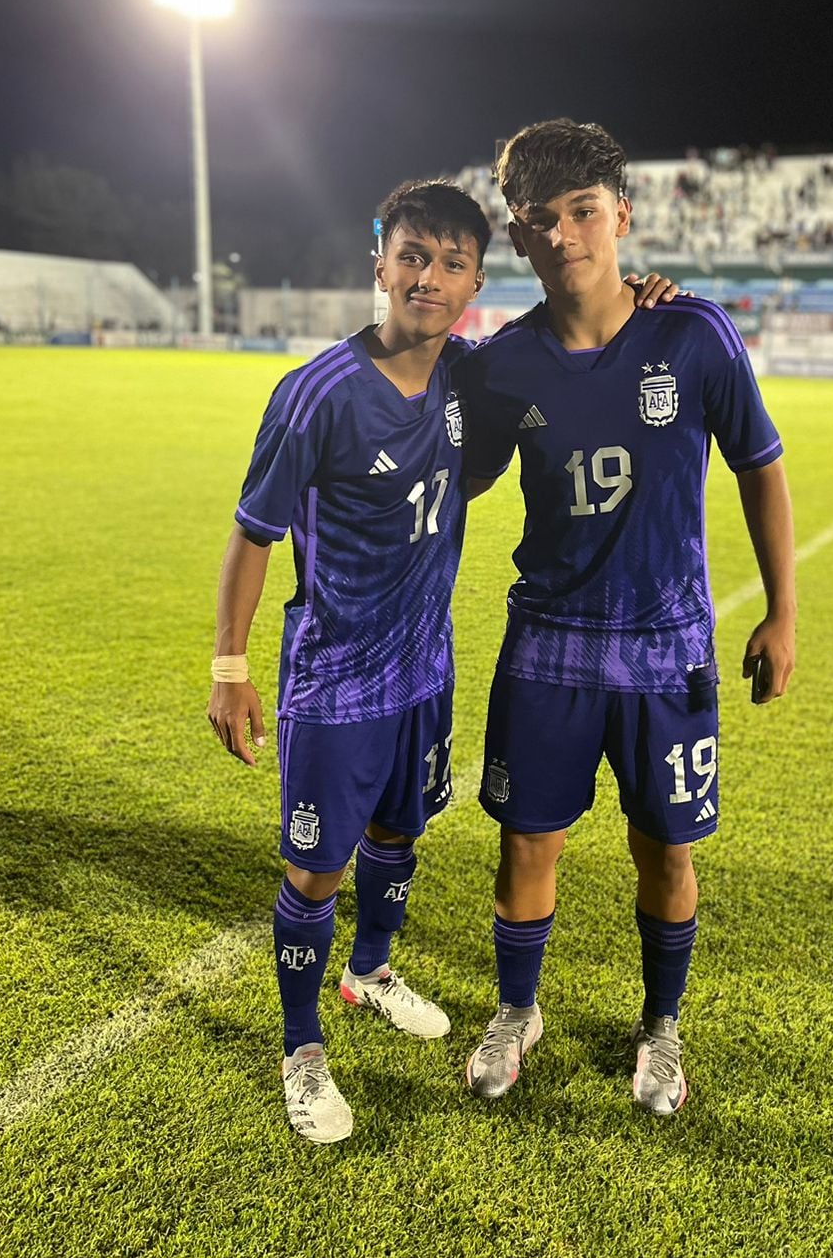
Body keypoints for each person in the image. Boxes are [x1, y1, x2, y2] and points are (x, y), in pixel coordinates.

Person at [207, 176, 679, 1143]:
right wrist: (230, 668)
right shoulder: (315, 395)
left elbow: (573, 337)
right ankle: (302, 1053)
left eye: (452, 263)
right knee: (314, 873)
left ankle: (370, 971)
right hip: (337, 682)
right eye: (412, 257)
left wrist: (650, 304)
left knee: (399, 834)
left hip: (425, 669)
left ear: (473, 282)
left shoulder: (472, 373)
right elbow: (252, 533)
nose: (429, 277)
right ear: (380, 263)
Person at [460, 119, 796, 1116]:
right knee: (527, 843)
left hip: (666, 649)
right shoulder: (502, 365)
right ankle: (518, 1011)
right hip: (546, 649)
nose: (566, 236)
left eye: (584, 211)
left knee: (667, 849)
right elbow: (462, 477)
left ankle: (661, 1025)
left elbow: (760, 466)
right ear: (520, 238)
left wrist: (783, 612)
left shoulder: (691, 333)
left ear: (622, 216)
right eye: (541, 220)